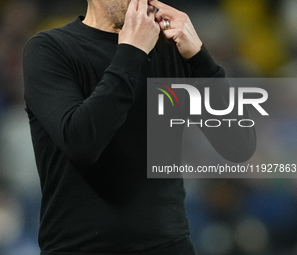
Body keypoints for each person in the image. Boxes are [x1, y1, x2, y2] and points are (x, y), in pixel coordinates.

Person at [23, 0, 256, 254]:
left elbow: (239, 146)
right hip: (80, 247)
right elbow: (82, 143)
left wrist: (201, 59)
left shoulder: (169, 48)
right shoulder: (50, 49)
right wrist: (132, 51)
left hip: (169, 245)